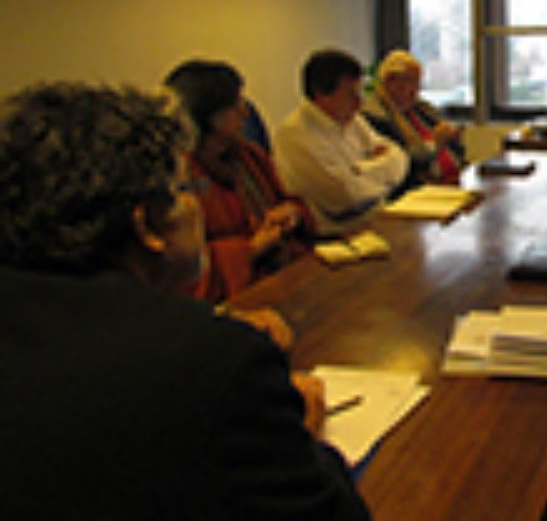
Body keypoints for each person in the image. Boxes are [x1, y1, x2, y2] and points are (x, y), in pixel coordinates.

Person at [0, 82, 369, 519]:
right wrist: (303, 433)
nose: (197, 203)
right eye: (183, 188)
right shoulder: (222, 364)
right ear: (147, 228)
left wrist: (210, 320)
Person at [165, 59, 315, 302]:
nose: (246, 112)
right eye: (236, 105)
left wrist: (292, 214)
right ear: (209, 118)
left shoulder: (250, 156)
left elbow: (290, 203)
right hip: (235, 297)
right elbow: (177, 270)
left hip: (286, 274)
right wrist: (250, 249)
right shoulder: (178, 175)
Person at [274, 48, 408, 234]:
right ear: (321, 94)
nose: (360, 103)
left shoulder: (352, 120)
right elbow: (345, 196)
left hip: (378, 220)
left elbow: (400, 160)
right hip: (338, 238)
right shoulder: (295, 135)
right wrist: (379, 166)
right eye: (351, 95)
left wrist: (358, 170)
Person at [362, 49, 465, 188]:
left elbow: (457, 151)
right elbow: (401, 163)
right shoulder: (376, 117)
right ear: (390, 81)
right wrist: (434, 144)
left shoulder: (422, 109)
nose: (417, 90)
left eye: (418, 83)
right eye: (412, 82)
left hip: (452, 178)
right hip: (420, 188)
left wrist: (453, 138)